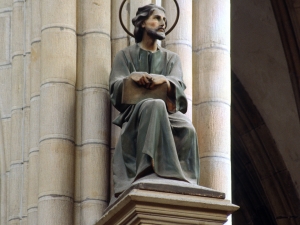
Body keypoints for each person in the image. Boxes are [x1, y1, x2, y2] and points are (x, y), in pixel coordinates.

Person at [110, 4, 199, 196]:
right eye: (157, 19)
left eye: (164, 21)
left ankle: (182, 179)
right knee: (153, 105)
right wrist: (131, 78)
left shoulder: (171, 58)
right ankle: (148, 170)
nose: (162, 24)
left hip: (167, 113)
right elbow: (115, 89)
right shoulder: (125, 56)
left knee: (188, 129)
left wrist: (165, 82)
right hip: (136, 114)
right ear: (142, 23)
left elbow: (179, 91)